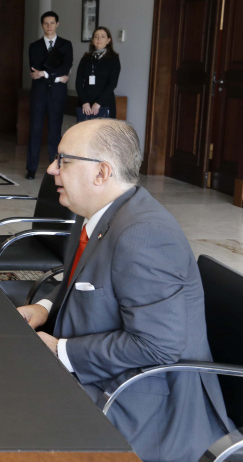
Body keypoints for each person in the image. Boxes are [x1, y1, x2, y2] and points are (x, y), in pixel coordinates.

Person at [17, 119, 233, 462]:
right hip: (111, 373)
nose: (52, 169)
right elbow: (88, 278)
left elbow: (157, 345)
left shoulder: (144, 235)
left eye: (64, 160)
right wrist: (45, 306)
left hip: (144, 402)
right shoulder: (95, 212)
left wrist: (61, 349)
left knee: (9, 416)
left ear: (102, 173)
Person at [26, 11, 73, 180]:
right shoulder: (34, 46)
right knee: (35, 130)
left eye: (52, 23)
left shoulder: (66, 45)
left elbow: (65, 67)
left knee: (55, 131)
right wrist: (57, 77)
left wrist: (45, 74)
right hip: (39, 93)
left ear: (57, 24)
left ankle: (55, 168)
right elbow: (34, 68)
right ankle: (31, 168)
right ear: (42, 25)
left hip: (57, 94)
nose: (49, 26)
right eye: (46, 23)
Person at [75, 26, 121, 121]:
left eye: (103, 36)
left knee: (104, 135)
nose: (99, 39)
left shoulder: (113, 59)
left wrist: (98, 103)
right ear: (92, 40)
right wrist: (84, 102)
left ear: (108, 40)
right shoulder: (85, 59)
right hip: (85, 105)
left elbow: (113, 83)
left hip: (104, 103)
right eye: (96, 36)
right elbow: (78, 82)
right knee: (85, 135)